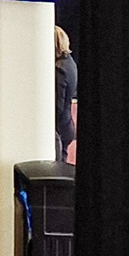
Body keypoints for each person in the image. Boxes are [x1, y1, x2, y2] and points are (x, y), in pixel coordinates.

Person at [54, 26, 78, 161]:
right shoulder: (70, 63)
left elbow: (58, 104)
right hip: (66, 124)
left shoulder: (60, 69)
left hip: (60, 128)